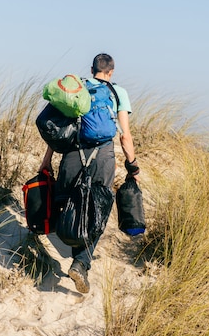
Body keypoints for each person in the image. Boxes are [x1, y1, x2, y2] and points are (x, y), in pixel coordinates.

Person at [39, 53, 140, 294]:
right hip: (103, 157)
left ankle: (68, 246)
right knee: (98, 209)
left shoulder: (77, 89)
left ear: (91, 69)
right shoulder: (117, 93)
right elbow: (125, 136)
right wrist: (132, 165)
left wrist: (46, 161)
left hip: (73, 154)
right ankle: (81, 263)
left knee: (68, 203)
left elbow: (59, 132)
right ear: (111, 72)